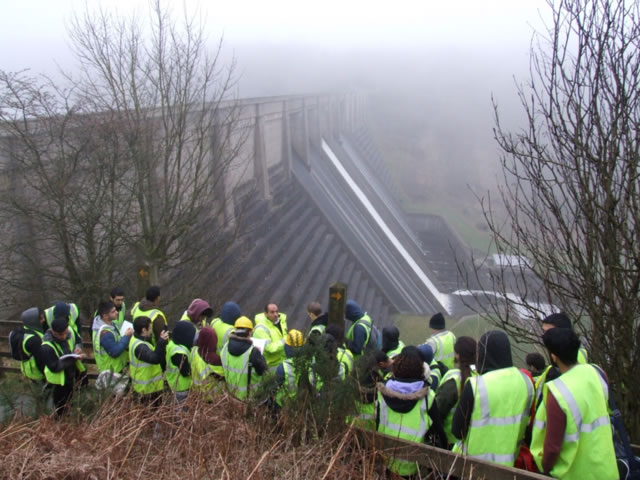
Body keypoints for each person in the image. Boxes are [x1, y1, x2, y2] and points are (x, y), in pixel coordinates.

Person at [530, 328, 617, 479]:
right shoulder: (597, 374)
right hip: (606, 470)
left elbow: (552, 448)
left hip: (575, 474)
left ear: (553, 356)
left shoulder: (558, 391)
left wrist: (545, 468)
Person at [451, 330, 533, 467]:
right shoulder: (526, 382)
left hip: (473, 465)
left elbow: (457, 431)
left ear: (483, 353)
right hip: (510, 464)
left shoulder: (476, 385)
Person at [376, 346, 447, 477]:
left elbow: (377, 422)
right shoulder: (427, 397)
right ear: (421, 369)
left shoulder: (382, 392)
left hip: (387, 459)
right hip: (412, 464)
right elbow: (438, 429)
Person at [40, 316, 87, 415]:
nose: (63, 336)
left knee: (71, 403)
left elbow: (78, 342)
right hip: (59, 384)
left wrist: (77, 349)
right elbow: (54, 367)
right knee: (61, 408)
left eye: (65, 333)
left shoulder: (69, 334)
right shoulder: (47, 347)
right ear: (52, 332)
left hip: (70, 378)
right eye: (60, 334)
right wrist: (74, 359)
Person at [435, 336, 477, 447]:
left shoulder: (454, 378)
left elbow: (438, 409)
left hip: (449, 441)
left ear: (457, 355)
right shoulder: (480, 376)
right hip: (470, 442)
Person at [221, 316, 268, 400]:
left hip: (230, 396)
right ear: (250, 332)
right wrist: (260, 354)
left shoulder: (225, 347)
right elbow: (263, 370)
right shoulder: (253, 352)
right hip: (248, 399)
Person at [129, 316, 168, 405]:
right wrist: (161, 342)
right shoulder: (140, 347)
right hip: (147, 389)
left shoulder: (135, 339)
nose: (151, 330)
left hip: (144, 387)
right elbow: (155, 359)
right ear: (143, 330)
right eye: (150, 328)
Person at [92, 300, 133, 378]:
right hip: (110, 371)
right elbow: (114, 352)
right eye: (113, 312)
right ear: (105, 316)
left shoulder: (110, 324)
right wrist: (126, 336)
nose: (117, 312)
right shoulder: (105, 333)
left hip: (115, 367)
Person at [274, 329, 306, 408]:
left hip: (282, 404)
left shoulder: (283, 367)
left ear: (287, 347)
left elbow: (274, 388)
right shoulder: (308, 363)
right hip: (302, 404)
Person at [166, 321, 196, 401]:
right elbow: (186, 372)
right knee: (183, 412)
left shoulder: (173, 343)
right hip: (182, 389)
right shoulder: (179, 353)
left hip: (174, 384)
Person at [253, 303, 288, 370]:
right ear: (265, 314)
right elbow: (270, 348)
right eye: (272, 312)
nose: (275, 314)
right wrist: (286, 340)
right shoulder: (261, 329)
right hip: (271, 366)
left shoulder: (281, 322)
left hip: (283, 361)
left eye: (277, 311)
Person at [14, 307, 46, 382]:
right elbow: (40, 361)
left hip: (30, 371)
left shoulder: (26, 330)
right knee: (44, 392)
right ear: (34, 321)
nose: (44, 320)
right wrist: (46, 374)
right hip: (37, 373)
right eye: (41, 319)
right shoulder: (33, 340)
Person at [191, 326, 224, 395]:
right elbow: (224, 377)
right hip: (211, 397)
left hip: (196, 392)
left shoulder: (194, 350)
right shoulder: (215, 360)